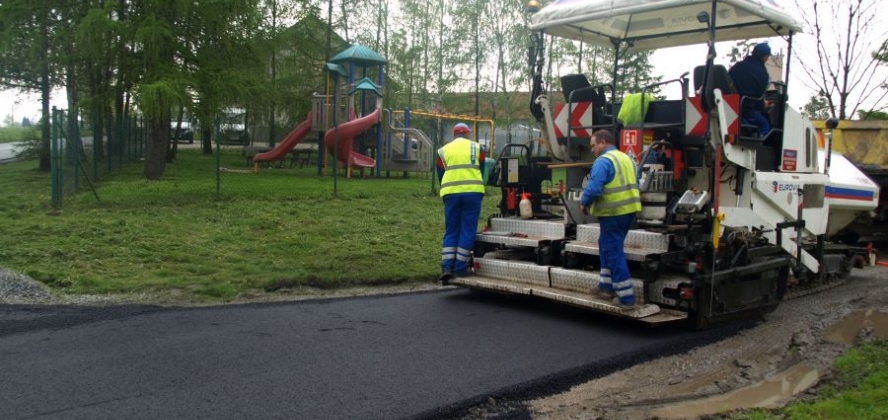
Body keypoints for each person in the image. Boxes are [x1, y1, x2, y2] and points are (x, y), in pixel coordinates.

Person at [580, 130, 642, 307]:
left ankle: (626, 297)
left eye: (593, 145)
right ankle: (605, 285)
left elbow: (593, 188)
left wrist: (584, 203)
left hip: (613, 213)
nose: (592, 150)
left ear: (603, 143)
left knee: (613, 251)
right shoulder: (626, 158)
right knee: (606, 245)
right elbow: (636, 183)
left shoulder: (603, 161)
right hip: (629, 212)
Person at [437, 123, 486, 284]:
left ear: (454, 134)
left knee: (451, 230)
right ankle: (459, 268)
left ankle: (446, 268)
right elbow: (482, 168)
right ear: (467, 134)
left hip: (451, 194)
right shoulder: (477, 148)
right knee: (467, 230)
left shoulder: (444, 150)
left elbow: (440, 173)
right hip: (472, 193)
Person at [728, 42, 772, 136]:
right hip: (747, 110)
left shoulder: (737, 66)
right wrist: (764, 104)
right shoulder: (762, 74)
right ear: (764, 57)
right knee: (765, 125)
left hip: (730, 107)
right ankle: (757, 144)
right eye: (768, 56)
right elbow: (758, 98)